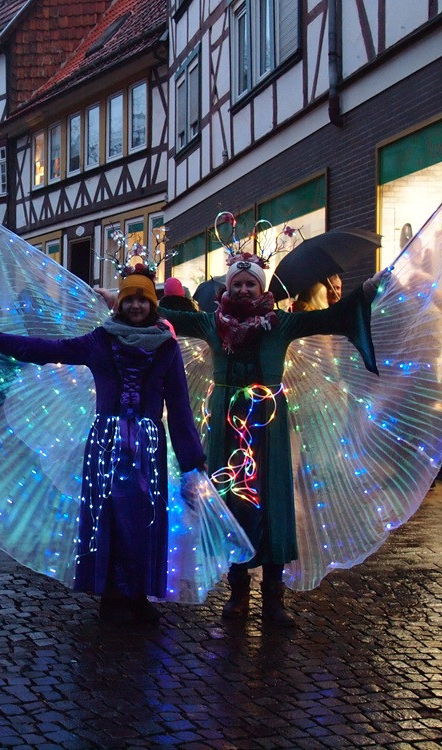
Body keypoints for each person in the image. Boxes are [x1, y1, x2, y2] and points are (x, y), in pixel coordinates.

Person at [149, 252, 387, 627]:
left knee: (274, 501)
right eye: (237, 283)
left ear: (262, 288)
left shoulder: (280, 324)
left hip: (268, 425)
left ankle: (273, 599)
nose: (244, 289)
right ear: (228, 287)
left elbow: (329, 317)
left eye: (251, 283)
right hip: (227, 427)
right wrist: (135, 294)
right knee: (232, 503)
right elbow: (168, 316)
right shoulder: (213, 324)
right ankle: (238, 592)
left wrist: (367, 292)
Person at [0, 265, 206, 626]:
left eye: (143, 300)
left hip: (147, 447)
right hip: (106, 445)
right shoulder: (100, 340)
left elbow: (179, 406)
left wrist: (192, 462)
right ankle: (111, 592)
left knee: (145, 520)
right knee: (109, 517)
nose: (136, 306)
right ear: (120, 303)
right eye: (130, 299)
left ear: (153, 304)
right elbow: (49, 349)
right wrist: (2, 340)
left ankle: (137, 593)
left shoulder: (166, 348)